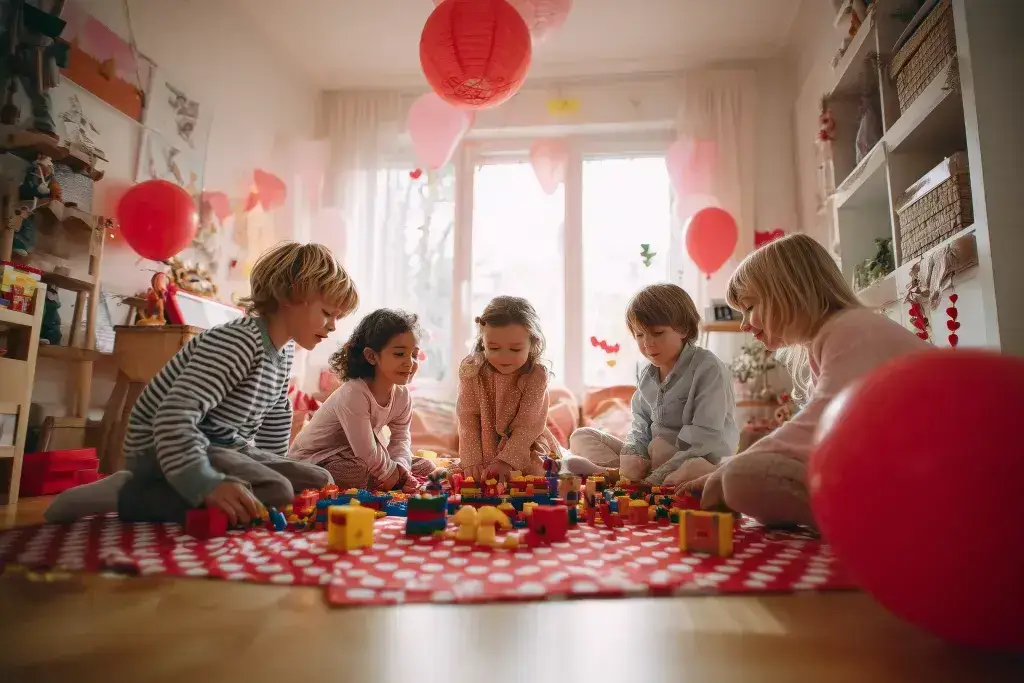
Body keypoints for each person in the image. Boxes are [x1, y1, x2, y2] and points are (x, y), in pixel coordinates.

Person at [44, 242, 358, 525]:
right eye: (327, 313)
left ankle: (235, 489)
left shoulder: (284, 349)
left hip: (222, 449)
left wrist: (270, 467)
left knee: (318, 479)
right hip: (163, 448)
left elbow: (275, 417)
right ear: (291, 296)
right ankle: (128, 492)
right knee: (276, 490)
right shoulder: (239, 341)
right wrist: (206, 483)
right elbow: (173, 418)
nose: (331, 326)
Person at [679, 234, 930, 527]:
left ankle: (877, 521)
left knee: (740, 477)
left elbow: (825, 423)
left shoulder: (849, 330)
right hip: (897, 467)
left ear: (788, 292)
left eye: (749, 307)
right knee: (746, 470)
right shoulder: (834, 336)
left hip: (925, 470)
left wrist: (725, 470)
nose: (745, 323)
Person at [565, 283, 738, 486]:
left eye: (657, 333)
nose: (647, 343)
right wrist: (632, 457)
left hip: (695, 458)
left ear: (683, 330)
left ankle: (624, 477)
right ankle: (620, 475)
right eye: (639, 335)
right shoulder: (647, 374)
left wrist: (656, 477)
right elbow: (640, 428)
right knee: (581, 435)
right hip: (653, 458)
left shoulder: (708, 368)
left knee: (685, 464)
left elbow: (704, 441)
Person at [289, 308, 437, 491]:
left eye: (414, 355)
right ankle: (383, 480)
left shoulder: (402, 396)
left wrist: (402, 469)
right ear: (371, 356)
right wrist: (390, 474)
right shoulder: (354, 393)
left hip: (357, 457)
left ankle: (387, 478)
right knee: (357, 473)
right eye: (400, 354)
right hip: (317, 460)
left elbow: (400, 439)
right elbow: (366, 449)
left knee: (427, 467)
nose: (410, 363)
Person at [456, 296, 561, 483]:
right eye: (494, 348)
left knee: (536, 475)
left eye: (515, 349)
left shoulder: (536, 375)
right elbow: (467, 418)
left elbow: (528, 426)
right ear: (483, 342)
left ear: (533, 343)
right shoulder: (472, 370)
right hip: (481, 444)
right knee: (467, 476)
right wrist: (472, 460)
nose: (504, 357)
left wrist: (507, 461)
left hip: (524, 445)